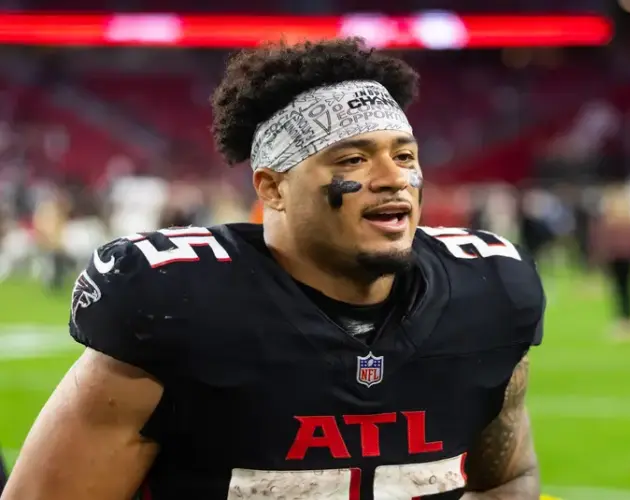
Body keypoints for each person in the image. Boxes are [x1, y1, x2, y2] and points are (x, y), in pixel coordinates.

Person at [3, 38, 545, 500]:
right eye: (352, 159)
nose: (393, 178)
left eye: (404, 156)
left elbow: (506, 476)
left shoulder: (487, 293)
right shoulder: (176, 305)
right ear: (272, 187)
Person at [590, 184, 630, 340]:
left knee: (623, 291)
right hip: (620, 259)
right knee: (623, 291)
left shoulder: (615, 221)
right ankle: (626, 321)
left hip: (621, 259)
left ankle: (626, 321)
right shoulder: (621, 220)